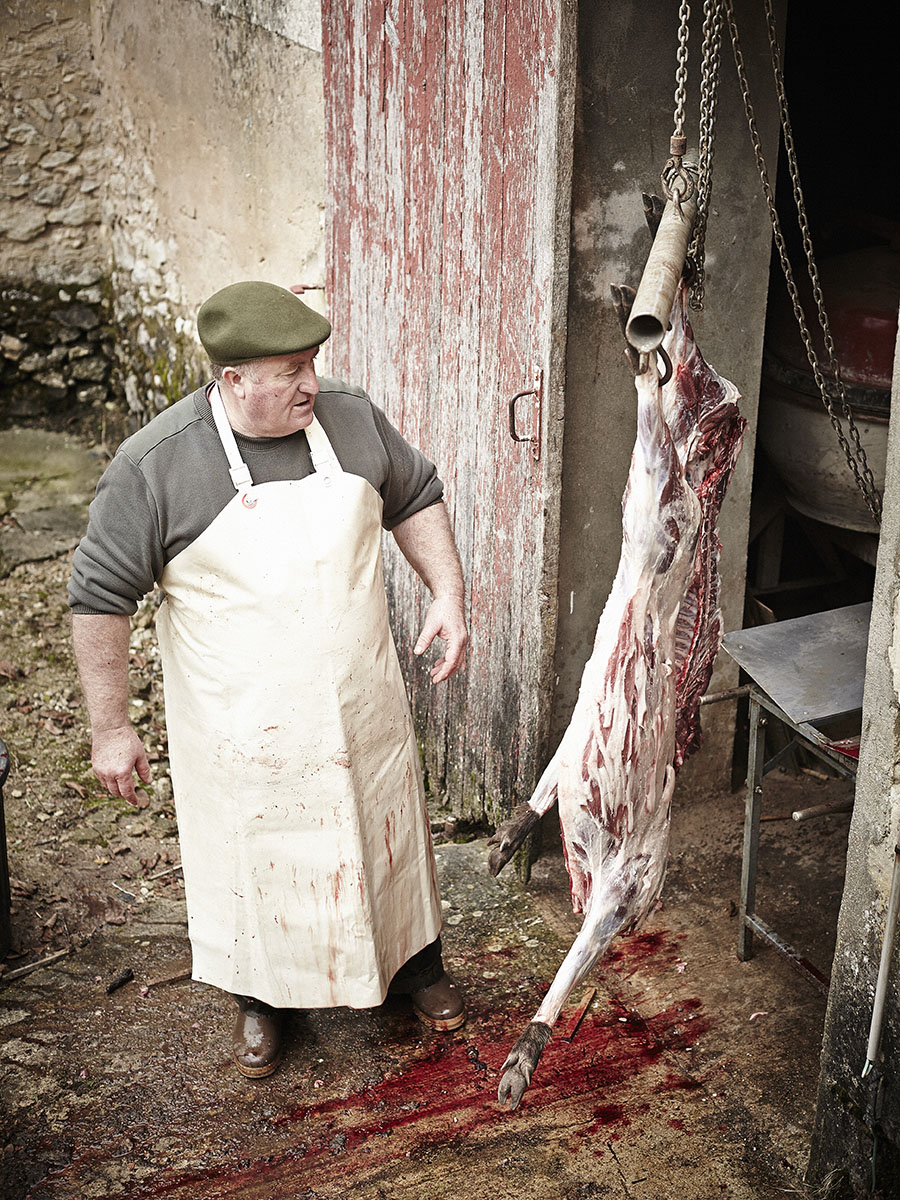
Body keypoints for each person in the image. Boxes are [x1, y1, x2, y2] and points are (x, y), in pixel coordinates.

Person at [69, 281, 469, 1078]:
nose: (311, 384)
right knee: (261, 861)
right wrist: (111, 728)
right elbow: (99, 596)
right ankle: (264, 999)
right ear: (233, 380)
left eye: (313, 362)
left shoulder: (349, 418)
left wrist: (449, 594)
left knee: (383, 840)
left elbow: (415, 494)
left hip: (360, 708)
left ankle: (414, 966)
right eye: (290, 369)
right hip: (243, 727)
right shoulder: (155, 464)